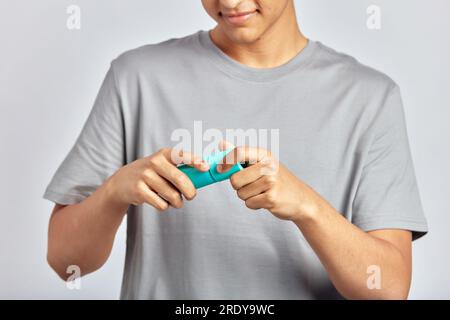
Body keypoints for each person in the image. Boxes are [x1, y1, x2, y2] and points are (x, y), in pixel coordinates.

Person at [43, 0, 428, 299]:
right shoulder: (135, 78)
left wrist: (307, 207)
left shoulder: (370, 99)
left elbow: (388, 289)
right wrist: (115, 192)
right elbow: (66, 262)